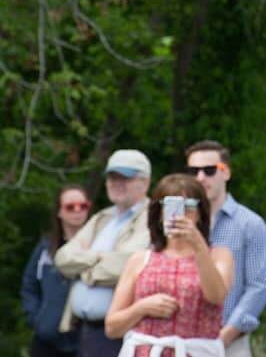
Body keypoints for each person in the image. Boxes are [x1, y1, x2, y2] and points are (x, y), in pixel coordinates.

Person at [105, 173, 234, 357]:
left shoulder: (218, 255)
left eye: (188, 207)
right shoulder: (141, 259)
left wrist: (198, 246)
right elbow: (112, 327)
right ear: (159, 213)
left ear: (200, 212)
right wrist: (141, 308)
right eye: (172, 206)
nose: (180, 215)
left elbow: (216, 296)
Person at [55, 149, 152, 357]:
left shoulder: (152, 217)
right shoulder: (102, 218)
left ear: (145, 182)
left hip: (120, 334)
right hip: (83, 331)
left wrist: (82, 271)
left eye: (125, 177)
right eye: (112, 177)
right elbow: (62, 258)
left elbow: (126, 264)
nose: (116, 183)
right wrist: (96, 257)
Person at [185, 140, 266, 357]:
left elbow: (259, 286)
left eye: (209, 170)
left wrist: (224, 338)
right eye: (193, 171)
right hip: (181, 340)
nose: (200, 178)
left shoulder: (250, 224)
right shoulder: (178, 223)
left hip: (229, 344)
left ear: (226, 173)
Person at [21, 184, 93, 357]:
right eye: (70, 207)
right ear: (59, 212)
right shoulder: (46, 247)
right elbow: (29, 285)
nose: (77, 211)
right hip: (46, 340)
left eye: (82, 206)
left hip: (83, 342)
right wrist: (37, 318)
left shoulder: (99, 245)